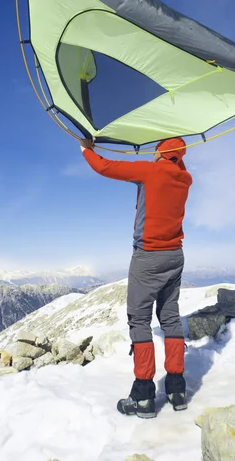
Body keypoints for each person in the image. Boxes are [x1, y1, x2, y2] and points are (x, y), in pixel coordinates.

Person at [80, 137, 193, 419]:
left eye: (156, 149)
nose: (152, 152)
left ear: (161, 152)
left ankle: (143, 395)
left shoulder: (150, 171)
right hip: (175, 255)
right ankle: (176, 389)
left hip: (148, 257)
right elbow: (174, 165)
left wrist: (86, 148)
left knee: (139, 320)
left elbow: (105, 167)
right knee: (169, 317)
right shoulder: (184, 178)